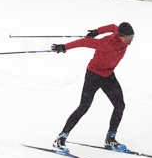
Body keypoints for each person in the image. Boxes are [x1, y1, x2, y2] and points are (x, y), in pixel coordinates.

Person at [51, 22, 135, 150]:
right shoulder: (106, 43)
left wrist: (97, 31)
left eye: (132, 36)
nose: (131, 40)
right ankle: (61, 137)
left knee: (120, 105)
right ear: (120, 36)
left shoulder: (120, 34)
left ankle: (110, 139)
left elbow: (112, 26)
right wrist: (64, 47)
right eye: (128, 37)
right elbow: (83, 42)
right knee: (84, 107)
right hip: (93, 75)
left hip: (108, 75)